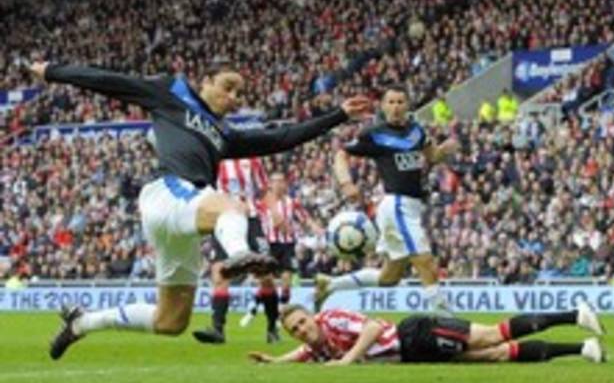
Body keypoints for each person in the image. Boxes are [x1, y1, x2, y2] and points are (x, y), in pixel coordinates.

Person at [31, 59, 371, 360]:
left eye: (239, 93)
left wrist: (338, 115)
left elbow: (283, 137)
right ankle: (240, 255)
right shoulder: (171, 92)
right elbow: (111, 81)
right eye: (227, 87)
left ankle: (82, 323)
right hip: (167, 192)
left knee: (171, 321)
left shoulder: (224, 134)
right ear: (205, 81)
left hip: (184, 216)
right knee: (232, 206)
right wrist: (54, 71)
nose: (233, 97)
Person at [313, 85, 458, 314]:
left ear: (407, 105)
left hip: (413, 206)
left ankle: (330, 285)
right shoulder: (375, 133)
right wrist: (346, 183)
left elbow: (432, 156)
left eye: (400, 102)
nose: (396, 107)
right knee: (425, 261)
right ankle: (445, 316)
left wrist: (444, 150)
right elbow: (341, 154)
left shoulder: (416, 131)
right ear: (383, 106)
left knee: (389, 278)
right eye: (391, 102)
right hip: (397, 204)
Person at [247, 301, 606, 365]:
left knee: (491, 336)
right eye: (295, 330)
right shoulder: (317, 347)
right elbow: (304, 353)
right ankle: (583, 349)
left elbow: (372, 327)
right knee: (495, 355)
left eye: (302, 322)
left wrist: (349, 360)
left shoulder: (332, 319)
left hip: (415, 335)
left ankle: (575, 314)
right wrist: (275, 362)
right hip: (415, 356)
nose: (301, 330)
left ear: (312, 317)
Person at [192, 156, 279, 345]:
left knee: (265, 276)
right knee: (219, 274)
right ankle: (217, 329)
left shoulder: (252, 159)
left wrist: (275, 212)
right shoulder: (213, 160)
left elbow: (264, 189)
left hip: (251, 220)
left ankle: (272, 327)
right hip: (223, 220)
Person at [237, 172, 324, 334]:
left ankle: (278, 316)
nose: (278, 185)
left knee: (286, 281)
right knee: (266, 281)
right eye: (274, 181)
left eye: (281, 181)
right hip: (268, 245)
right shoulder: (262, 203)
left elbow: (305, 218)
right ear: (270, 184)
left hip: (288, 245)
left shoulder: (292, 203)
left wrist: (316, 228)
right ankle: (253, 308)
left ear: (285, 184)